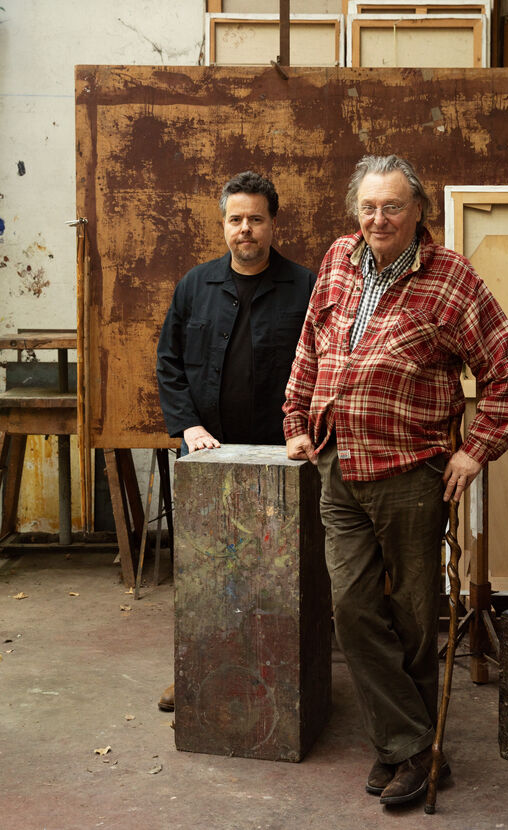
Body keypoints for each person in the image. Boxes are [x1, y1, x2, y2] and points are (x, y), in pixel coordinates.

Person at [284, 155, 508, 807]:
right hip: (338, 462)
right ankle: (413, 747)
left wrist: (476, 450)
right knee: (351, 609)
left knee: (416, 617)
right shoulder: (338, 260)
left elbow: (506, 365)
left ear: (418, 210)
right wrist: (296, 420)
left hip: (412, 472)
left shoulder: (450, 278)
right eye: (368, 207)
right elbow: (310, 346)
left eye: (392, 206)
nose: (378, 219)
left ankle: (403, 750)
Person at [156, 170, 316, 711]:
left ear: (273, 223)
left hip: (280, 454)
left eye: (255, 219)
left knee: (276, 570)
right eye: (235, 219)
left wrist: (301, 431)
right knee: (204, 569)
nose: (244, 228)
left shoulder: (306, 287)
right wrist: (189, 426)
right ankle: (197, 670)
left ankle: (279, 674)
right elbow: (169, 362)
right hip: (209, 451)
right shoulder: (194, 285)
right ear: (223, 224)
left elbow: (325, 365)